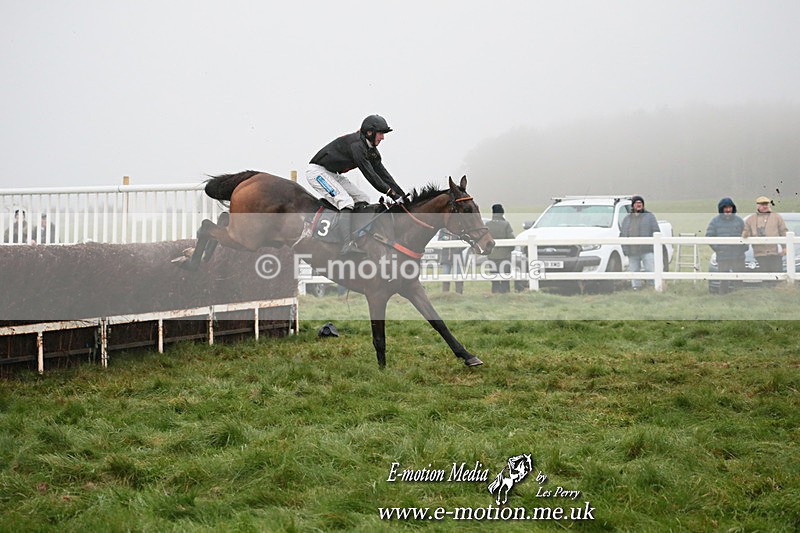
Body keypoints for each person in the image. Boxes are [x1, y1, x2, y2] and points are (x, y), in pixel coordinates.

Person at [306, 114, 406, 255]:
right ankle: (346, 243)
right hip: (317, 172)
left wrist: (400, 194)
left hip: (332, 173)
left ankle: (355, 235)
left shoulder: (370, 149)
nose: (382, 137)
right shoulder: (357, 146)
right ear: (370, 133)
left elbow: (383, 174)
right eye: (381, 133)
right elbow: (370, 175)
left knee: (362, 198)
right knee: (346, 202)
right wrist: (391, 193)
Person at [705, 197, 747, 294]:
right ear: (721, 209)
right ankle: (723, 297)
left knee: (739, 279)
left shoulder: (739, 221)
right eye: (725, 208)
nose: (728, 210)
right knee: (723, 279)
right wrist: (718, 249)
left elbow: (746, 235)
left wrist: (743, 248)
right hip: (723, 256)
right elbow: (709, 236)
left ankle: (739, 296)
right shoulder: (715, 221)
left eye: (730, 207)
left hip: (738, 256)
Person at [619, 195, 660, 290]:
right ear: (633, 206)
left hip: (647, 249)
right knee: (634, 271)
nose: (639, 205)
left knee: (650, 269)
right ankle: (636, 287)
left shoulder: (650, 217)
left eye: (640, 203)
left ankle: (652, 286)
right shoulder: (627, 219)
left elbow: (656, 231)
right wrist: (625, 248)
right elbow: (623, 234)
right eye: (637, 203)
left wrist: (652, 245)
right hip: (632, 251)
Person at [742, 196, 788, 274]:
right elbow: (746, 233)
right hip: (759, 254)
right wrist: (745, 233)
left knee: (776, 276)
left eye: (766, 204)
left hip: (774, 253)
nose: (765, 206)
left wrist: (785, 248)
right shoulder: (751, 219)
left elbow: (783, 232)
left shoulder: (776, 217)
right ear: (758, 206)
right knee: (763, 276)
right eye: (763, 204)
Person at [486, 204, 516, 293]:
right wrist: (510, 250)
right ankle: (505, 292)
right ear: (502, 212)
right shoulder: (506, 224)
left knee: (494, 276)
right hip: (504, 256)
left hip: (491, 255)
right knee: (505, 276)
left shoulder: (487, 225)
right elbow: (511, 240)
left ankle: (495, 292)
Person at [436, 228, 463, 294]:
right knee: (445, 275)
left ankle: (459, 294)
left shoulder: (460, 230)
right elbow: (439, 240)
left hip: (457, 256)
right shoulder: (443, 230)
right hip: (446, 256)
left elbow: (464, 242)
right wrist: (444, 240)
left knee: (458, 275)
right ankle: (445, 294)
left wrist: (457, 249)